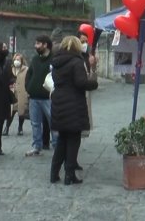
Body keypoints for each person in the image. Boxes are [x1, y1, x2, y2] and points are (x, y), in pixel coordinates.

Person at [50, 36, 98, 184]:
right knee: (73, 141)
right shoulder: (76, 62)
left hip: (59, 103)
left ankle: (54, 173)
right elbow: (81, 82)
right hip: (73, 105)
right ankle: (69, 175)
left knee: (62, 140)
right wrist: (93, 82)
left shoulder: (56, 62)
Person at [24, 34, 57, 156]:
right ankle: (36, 146)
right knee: (35, 123)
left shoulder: (54, 60)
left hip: (48, 98)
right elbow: (29, 74)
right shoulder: (35, 59)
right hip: (34, 97)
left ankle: (56, 145)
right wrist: (28, 87)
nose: (35, 46)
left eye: (38, 43)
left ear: (45, 45)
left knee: (53, 122)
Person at [77, 28, 97, 138]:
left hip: (86, 90)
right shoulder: (74, 57)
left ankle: (84, 129)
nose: (84, 44)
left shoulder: (87, 56)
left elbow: (93, 78)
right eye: (82, 42)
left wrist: (93, 66)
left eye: (86, 42)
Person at [5, 53, 29, 136]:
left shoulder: (26, 70)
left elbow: (28, 81)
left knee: (21, 112)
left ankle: (20, 127)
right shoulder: (10, 69)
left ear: (22, 61)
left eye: (18, 60)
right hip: (12, 93)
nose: (16, 61)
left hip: (22, 93)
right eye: (15, 59)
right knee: (11, 112)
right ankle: (6, 127)